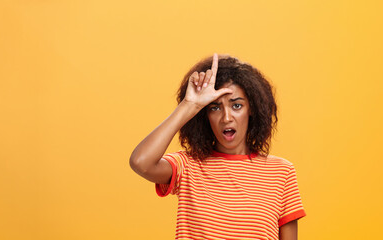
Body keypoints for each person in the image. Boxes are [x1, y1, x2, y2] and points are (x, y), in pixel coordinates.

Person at [129, 53, 306, 239]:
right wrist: (189, 105)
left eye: (236, 106)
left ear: (252, 109)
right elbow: (141, 162)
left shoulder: (281, 172)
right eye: (215, 107)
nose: (226, 117)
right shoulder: (188, 165)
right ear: (205, 115)